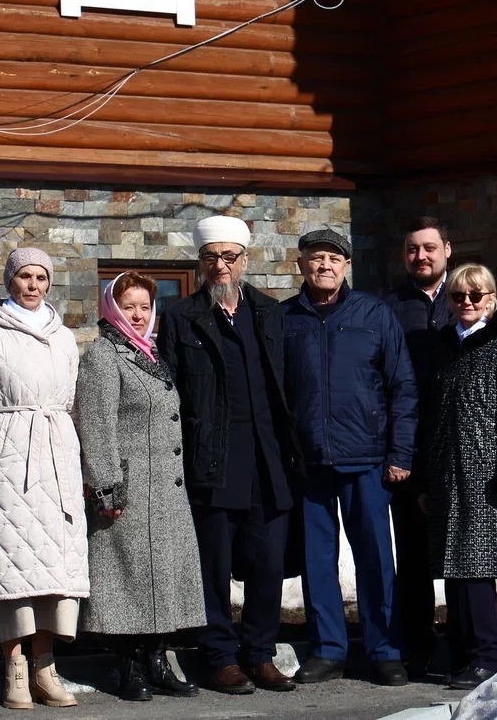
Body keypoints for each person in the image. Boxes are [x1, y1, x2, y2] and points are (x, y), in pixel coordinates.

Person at [157, 216, 303, 696]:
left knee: (267, 564)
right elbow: (172, 391)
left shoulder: (269, 312)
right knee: (214, 568)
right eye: (210, 257)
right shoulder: (181, 317)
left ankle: (260, 653)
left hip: (268, 459)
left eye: (228, 256)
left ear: (244, 260)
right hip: (213, 459)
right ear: (200, 263)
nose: (219, 265)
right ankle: (219, 657)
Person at [282, 228, 417, 687]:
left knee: (376, 559)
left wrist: (400, 453)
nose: (324, 265)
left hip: (367, 459)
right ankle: (328, 650)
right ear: (300, 264)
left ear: (346, 266)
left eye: (333, 258)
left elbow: (402, 387)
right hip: (309, 462)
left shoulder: (374, 314)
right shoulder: (284, 319)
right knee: (316, 561)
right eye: (316, 258)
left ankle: (385, 650)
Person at [0, 247, 88, 709]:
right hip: (6, 462)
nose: (33, 285)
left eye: (41, 277)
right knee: (8, 564)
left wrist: (81, 466)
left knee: (53, 569)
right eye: (24, 276)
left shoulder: (64, 338)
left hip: (57, 459)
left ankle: (45, 668)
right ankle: (13, 668)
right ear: (9, 280)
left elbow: (73, 406)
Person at [76, 272, 206, 701]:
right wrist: (107, 488)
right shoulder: (104, 355)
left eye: (145, 307)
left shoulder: (150, 352)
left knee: (160, 578)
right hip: (128, 490)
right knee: (127, 579)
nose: (137, 314)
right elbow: (97, 425)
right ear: (112, 308)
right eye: (128, 306)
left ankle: (157, 660)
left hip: (164, 491)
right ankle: (128, 666)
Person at [423, 263, 497, 691]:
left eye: (476, 295)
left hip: (486, 475)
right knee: (455, 567)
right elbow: (433, 414)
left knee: (478, 567)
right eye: (458, 296)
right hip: (447, 471)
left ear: (491, 298)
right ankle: (466, 653)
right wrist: (428, 479)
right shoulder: (445, 345)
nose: (467, 302)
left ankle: (488, 656)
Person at [381, 216, 453, 676]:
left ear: (447, 249)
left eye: (429, 247)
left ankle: (465, 643)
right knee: (411, 556)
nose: (420, 256)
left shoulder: (467, 297)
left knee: (462, 550)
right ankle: (418, 645)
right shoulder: (387, 308)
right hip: (407, 448)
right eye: (412, 249)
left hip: (460, 448)